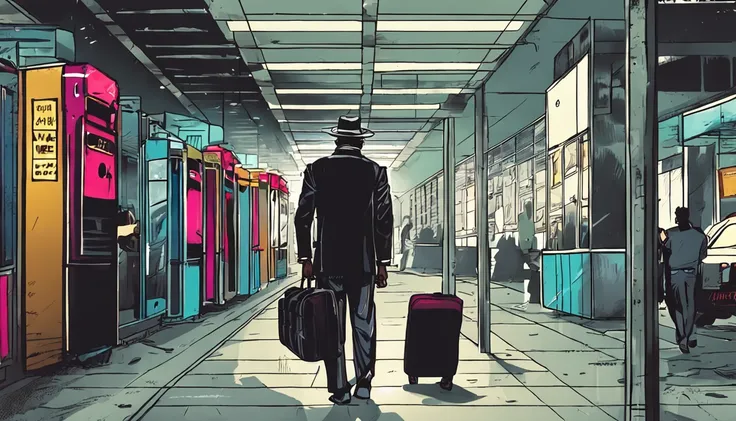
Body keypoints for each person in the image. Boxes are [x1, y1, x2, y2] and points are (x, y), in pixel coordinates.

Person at [294, 115, 393, 405]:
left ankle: (338, 388)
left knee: (331, 325)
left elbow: (303, 217)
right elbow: (383, 219)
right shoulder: (375, 172)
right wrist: (382, 262)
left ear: (336, 140)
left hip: (327, 262)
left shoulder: (316, 169)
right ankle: (364, 383)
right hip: (362, 264)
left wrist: (305, 258)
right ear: (361, 141)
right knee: (363, 322)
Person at [663, 207, 707, 354]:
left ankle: (683, 337)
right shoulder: (699, 236)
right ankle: (686, 337)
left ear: (677, 218)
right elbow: (703, 255)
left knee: (678, 308)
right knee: (690, 307)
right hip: (691, 274)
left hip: (675, 274)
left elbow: (665, 249)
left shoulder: (672, 235)